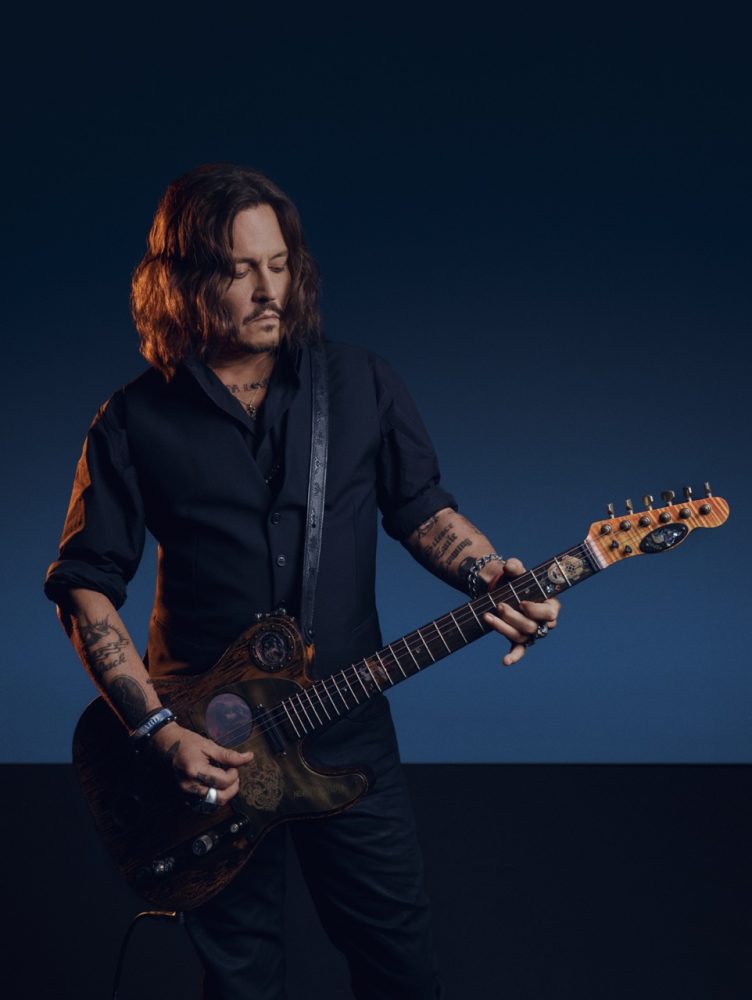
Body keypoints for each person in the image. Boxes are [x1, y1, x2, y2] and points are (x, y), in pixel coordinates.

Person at [44, 163, 561, 1000]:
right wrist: (157, 730)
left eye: (279, 264)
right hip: (208, 748)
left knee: (401, 968)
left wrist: (485, 572)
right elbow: (86, 585)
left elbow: (422, 509)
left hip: (347, 730)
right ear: (182, 281)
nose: (267, 290)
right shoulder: (133, 419)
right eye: (239, 269)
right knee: (243, 984)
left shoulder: (362, 383)